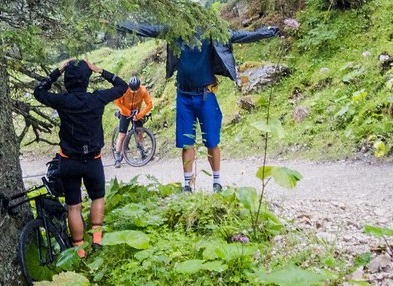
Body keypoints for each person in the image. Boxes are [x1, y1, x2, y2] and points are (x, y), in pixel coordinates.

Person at [117, 22, 279, 192]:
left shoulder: (212, 34)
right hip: (184, 97)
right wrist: (119, 25)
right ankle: (187, 186)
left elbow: (241, 36)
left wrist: (266, 32)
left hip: (205, 96)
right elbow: (148, 29)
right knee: (187, 143)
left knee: (211, 141)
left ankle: (217, 182)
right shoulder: (176, 32)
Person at [32, 58, 127, 257]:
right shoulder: (97, 98)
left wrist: (58, 70)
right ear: (86, 79)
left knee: (73, 206)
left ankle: (79, 249)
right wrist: (99, 69)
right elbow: (122, 86)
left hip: (69, 161)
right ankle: (97, 240)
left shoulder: (62, 101)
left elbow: (38, 91)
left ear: (67, 80)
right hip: (93, 161)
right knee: (98, 197)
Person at [113, 76, 154, 167]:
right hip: (125, 112)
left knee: (140, 132)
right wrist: (127, 112)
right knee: (122, 134)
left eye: (136, 90)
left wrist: (140, 115)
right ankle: (117, 157)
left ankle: (143, 153)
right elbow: (117, 102)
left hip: (136, 112)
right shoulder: (124, 90)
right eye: (132, 90)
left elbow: (150, 104)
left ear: (139, 87)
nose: (134, 91)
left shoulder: (143, 90)